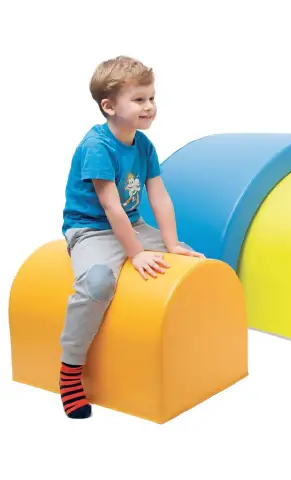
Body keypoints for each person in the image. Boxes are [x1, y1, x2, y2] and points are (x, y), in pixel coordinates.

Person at [59, 56, 204, 419]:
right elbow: (111, 207)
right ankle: (70, 370)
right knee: (97, 283)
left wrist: (171, 243)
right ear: (109, 107)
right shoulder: (97, 146)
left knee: (187, 259)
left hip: (132, 224)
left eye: (152, 98)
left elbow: (159, 196)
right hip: (90, 229)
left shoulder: (143, 145)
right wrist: (136, 252)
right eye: (139, 99)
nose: (149, 106)